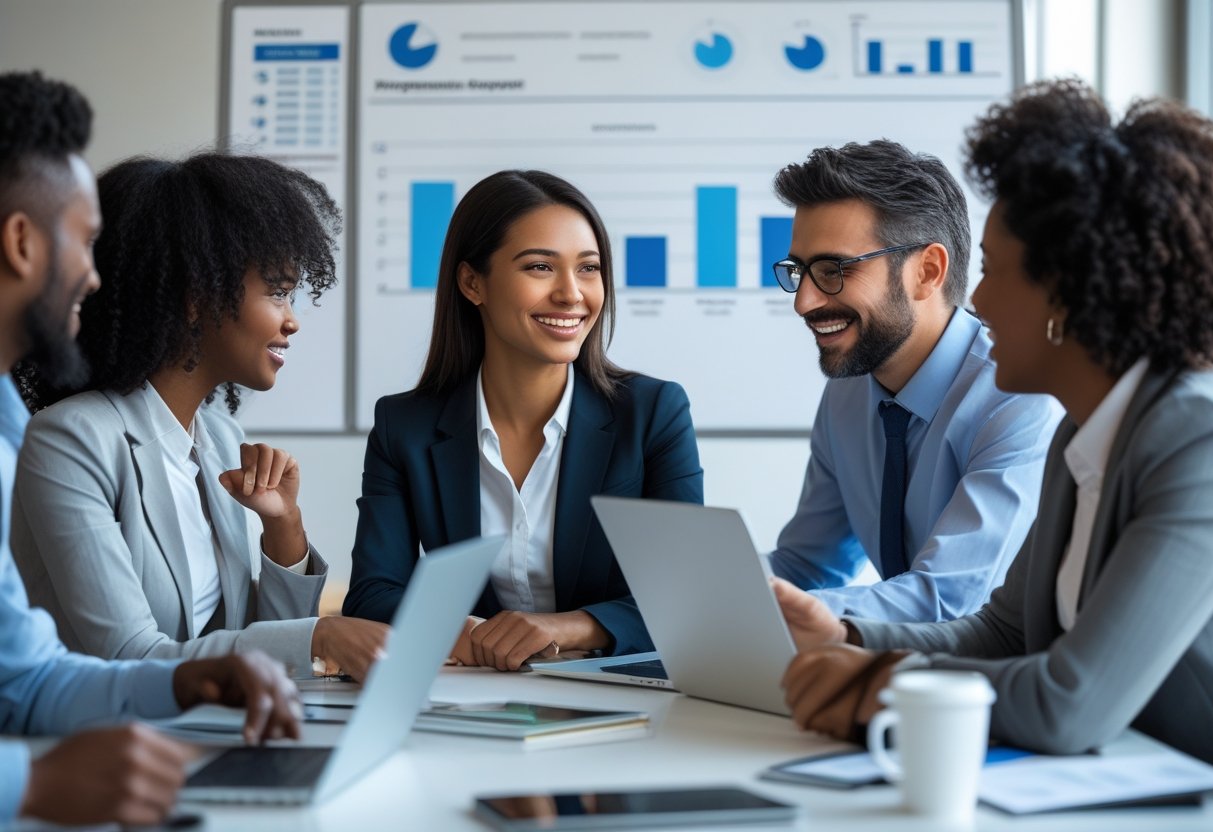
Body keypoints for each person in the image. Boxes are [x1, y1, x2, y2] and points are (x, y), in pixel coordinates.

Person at [775, 78, 1213, 765]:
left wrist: (875, 682)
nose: (974, 298)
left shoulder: (1198, 443)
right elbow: (1002, 633)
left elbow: (1068, 704)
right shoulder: (1086, 433)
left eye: (996, 271)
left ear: (1069, 294)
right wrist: (849, 639)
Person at [0, 70, 303, 827]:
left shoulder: (10, 427)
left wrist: (283, 538)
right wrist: (23, 788)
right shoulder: (62, 439)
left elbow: (27, 679)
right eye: (86, 242)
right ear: (22, 242)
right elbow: (118, 650)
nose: (97, 275)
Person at [10, 150, 388, 682]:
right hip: (106, 747)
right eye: (278, 293)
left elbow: (260, 652)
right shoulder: (70, 441)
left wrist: (284, 528)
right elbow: (129, 657)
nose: (292, 320)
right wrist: (320, 634)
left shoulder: (217, 437)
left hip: (214, 733)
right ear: (196, 299)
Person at [343, 170, 703, 670]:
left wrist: (566, 626)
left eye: (589, 268)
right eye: (540, 267)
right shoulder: (405, 426)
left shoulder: (653, 414)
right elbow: (373, 595)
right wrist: (467, 633)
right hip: (475, 697)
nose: (572, 294)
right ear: (473, 283)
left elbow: (687, 597)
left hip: (624, 695)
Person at [766, 139, 1060, 622]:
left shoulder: (1018, 399)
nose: (804, 302)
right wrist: (705, 598)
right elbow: (808, 566)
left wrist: (756, 611)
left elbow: (948, 600)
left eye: (833, 270)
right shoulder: (848, 389)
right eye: (800, 272)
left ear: (927, 272)